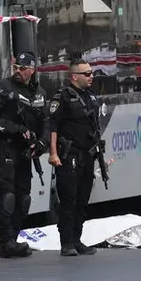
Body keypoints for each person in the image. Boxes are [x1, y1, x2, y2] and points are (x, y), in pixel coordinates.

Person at [0, 52, 49, 258]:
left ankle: (14, 239)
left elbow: (46, 121)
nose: (18, 71)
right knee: (6, 195)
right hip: (4, 148)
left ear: (32, 70)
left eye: (23, 68)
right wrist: (14, 129)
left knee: (23, 197)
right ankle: (5, 241)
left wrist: (42, 143)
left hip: (26, 152)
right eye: (16, 67)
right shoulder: (2, 88)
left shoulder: (39, 93)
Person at [47, 59, 101, 257]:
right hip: (68, 156)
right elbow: (52, 127)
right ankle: (66, 243)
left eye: (91, 73)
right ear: (74, 76)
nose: (91, 76)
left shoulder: (91, 97)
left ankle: (77, 240)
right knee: (68, 199)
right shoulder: (62, 98)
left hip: (87, 156)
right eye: (86, 74)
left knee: (82, 200)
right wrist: (53, 153)